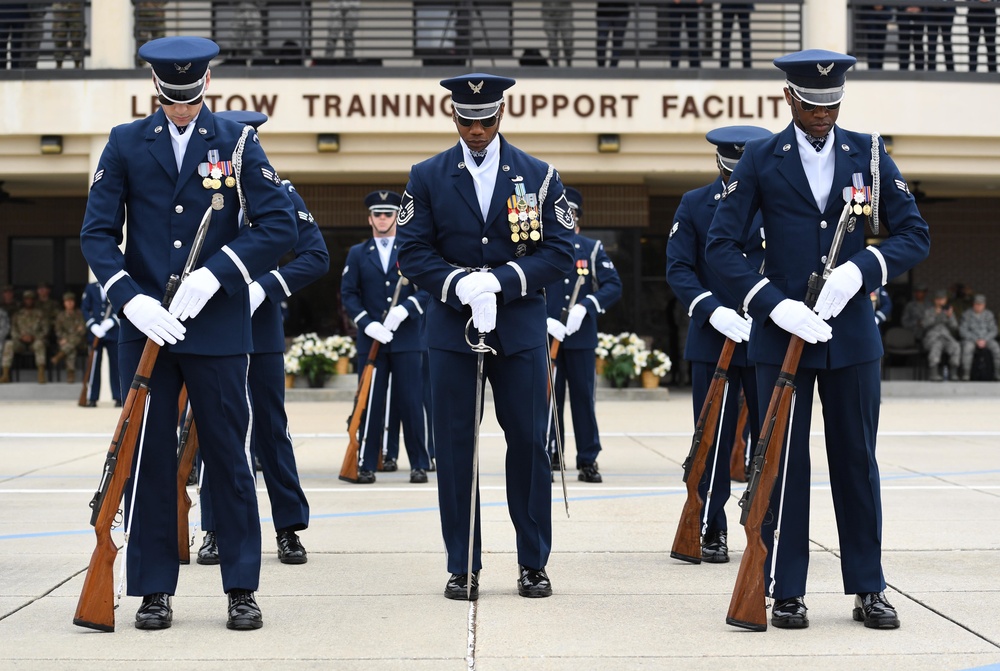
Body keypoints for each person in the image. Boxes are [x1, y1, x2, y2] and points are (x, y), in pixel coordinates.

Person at [79, 36, 298, 631]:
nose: (182, 109)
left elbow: (279, 226)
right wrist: (128, 298)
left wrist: (218, 274)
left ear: (206, 87)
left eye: (191, 97)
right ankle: (153, 589)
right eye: (172, 98)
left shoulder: (237, 140)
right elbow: (97, 234)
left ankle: (241, 586)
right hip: (147, 327)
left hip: (219, 326)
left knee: (228, 456)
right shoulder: (126, 142)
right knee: (148, 459)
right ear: (157, 90)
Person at [706, 49, 930, 629]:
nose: (822, 115)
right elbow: (722, 248)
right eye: (811, 104)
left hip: (851, 335)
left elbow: (913, 233)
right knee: (783, 463)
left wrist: (865, 269)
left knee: (856, 461)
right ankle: (785, 587)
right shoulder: (759, 158)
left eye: (831, 104)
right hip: (782, 337)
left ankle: (868, 586)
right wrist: (771, 304)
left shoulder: (870, 154)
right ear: (789, 98)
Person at [396, 73, 575, 601]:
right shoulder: (426, 176)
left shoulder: (539, 176)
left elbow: (559, 251)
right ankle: (462, 563)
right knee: (454, 448)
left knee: (528, 444)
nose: (477, 131)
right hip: (452, 330)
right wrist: (459, 284)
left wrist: (498, 282)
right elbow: (412, 249)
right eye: (467, 121)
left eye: (487, 120)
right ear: (453, 116)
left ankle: (532, 562)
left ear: (502, 116)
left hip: (518, 328)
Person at [194, 111, 329, 567]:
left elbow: (315, 257)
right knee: (215, 429)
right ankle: (214, 529)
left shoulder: (280, 192)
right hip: (212, 327)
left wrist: (264, 286)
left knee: (271, 429)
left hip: (261, 328)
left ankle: (288, 528)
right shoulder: (202, 195)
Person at [665, 125, 769, 563]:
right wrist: (712, 310)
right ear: (719, 164)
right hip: (715, 337)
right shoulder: (694, 204)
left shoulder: (777, 202)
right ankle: (710, 525)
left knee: (768, 437)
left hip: (766, 334)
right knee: (712, 438)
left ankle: (767, 525)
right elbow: (678, 268)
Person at [341, 189, 432, 485]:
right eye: (378, 214)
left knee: (411, 402)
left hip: (406, 339)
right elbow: (348, 294)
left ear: (397, 218)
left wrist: (406, 309)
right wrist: (366, 323)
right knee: (370, 402)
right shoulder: (358, 253)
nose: (383, 219)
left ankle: (419, 462)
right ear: (370, 219)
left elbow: (428, 289)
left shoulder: (411, 249)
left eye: (388, 214)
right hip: (372, 342)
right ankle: (367, 463)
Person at [544, 186, 622, 484]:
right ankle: (551, 453)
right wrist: (545, 320)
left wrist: (587, 306)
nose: (567, 218)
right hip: (547, 337)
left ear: (578, 218)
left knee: (582, 400)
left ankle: (588, 459)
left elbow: (613, 285)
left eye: (572, 213)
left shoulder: (590, 248)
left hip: (579, 339)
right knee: (549, 399)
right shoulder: (543, 248)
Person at [81, 280, 122, 407]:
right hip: (96, 334)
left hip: (112, 333)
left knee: (116, 366)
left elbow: (121, 304)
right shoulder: (91, 288)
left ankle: (118, 397)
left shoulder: (115, 285)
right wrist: (92, 325)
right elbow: (85, 308)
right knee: (93, 366)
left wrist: (112, 321)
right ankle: (92, 397)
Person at [0, 290, 48, 383]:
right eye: (27, 300)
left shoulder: (40, 314)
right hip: (20, 342)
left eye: (30, 299)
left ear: (34, 300)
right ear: (24, 301)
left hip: (35, 341)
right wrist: (20, 337)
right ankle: (5, 374)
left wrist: (34, 337)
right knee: (9, 344)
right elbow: (13, 329)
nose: (28, 301)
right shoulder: (18, 314)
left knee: (39, 344)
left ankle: (41, 374)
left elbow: (45, 330)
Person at [921, 289, 960, 381]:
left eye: (942, 299)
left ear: (945, 300)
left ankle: (953, 373)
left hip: (946, 337)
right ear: (935, 300)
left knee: (956, 346)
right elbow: (924, 325)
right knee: (936, 345)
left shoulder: (948, 311)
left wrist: (950, 316)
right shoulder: (929, 311)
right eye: (938, 299)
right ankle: (934, 374)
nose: (940, 301)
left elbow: (955, 327)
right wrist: (935, 314)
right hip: (932, 338)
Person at [959, 294, 1000, 381]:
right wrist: (976, 340)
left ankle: (998, 374)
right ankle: (966, 374)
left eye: (980, 304)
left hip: (986, 339)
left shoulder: (989, 315)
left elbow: (994, 330)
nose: (978, 306)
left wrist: (985, 340)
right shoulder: (967, 314)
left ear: (984, 305)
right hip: (971, 339)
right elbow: (962, 330)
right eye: (976, 304)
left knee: (996, 348)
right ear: (973, 304)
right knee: (967, 348)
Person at [657, 0, 705, 68]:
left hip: (692, 4)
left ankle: (695, 65)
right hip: (675, 5)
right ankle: (674, 66)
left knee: (693, 36)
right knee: (674, 36)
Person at [51, 291, 85, 383]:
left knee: (74, 341)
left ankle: (60, 355)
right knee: (71, 350)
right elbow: (58, 330)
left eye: (71, 301)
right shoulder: (61, 316)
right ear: (64, 303)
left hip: (79, 341)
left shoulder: (79, 314)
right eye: (67, 301)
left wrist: (68, 339)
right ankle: (70, 373)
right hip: (65, 342)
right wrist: (64, 338)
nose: (69, 303)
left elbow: (82, 330)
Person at [856, 5, 891, 71]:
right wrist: (873, 6)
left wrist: (881, 7)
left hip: (881, 25)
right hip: (870, 25)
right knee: (871, 47)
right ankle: (872, 70)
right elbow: (862, 13)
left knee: (880, 47)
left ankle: (879, 69)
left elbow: (889, 14)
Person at [719, 2, 752, 69]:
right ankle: (724, 67)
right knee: (726, 36)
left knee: (745, 36)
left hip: (743, 4)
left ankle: (747, 66)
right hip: (729, 4)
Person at [967, 0, 998, 73]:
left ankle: (993, 72)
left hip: (990, 9)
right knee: (973, 44)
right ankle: (972, 72)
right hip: (974, 10)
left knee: (991, 44)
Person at [52, 1, 85, 68]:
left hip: (76, 5)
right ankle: (59, 64)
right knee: (59, 36)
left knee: (77, 36)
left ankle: (77, 64)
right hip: (60, 5)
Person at [595, 1, 628, 67]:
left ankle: (613, 67)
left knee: (617, 41)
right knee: (601, 40)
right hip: (603, 12)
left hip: (621, 12)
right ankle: (601, 67)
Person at [924, 2, 955, 72]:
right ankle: (931, 71)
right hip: (930, 10)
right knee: (931, 43)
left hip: (947, 10)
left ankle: (951, 71)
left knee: (947, 42)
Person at [541, 0, 573, 67]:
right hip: (548, 11)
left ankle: (569, 64)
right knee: (552, 41)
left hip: (565, 10)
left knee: (567, 39)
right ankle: (555, 66)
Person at [898, 5, 927, 71]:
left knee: (918, 44)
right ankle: (903, 71)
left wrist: (919, 7)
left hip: (919, 14)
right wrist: (904, 7)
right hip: (903, 14)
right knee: (904, 44)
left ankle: (920, 71)